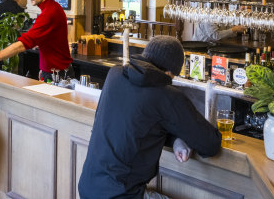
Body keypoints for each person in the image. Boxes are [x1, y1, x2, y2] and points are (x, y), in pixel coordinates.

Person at [78, 36, 222, 199]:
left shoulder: (115, 75)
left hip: (88, 188)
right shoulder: (167, 96)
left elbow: (141, 121)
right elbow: (210, 144)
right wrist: (178, 134)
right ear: (169, 72)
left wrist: (175, 139)